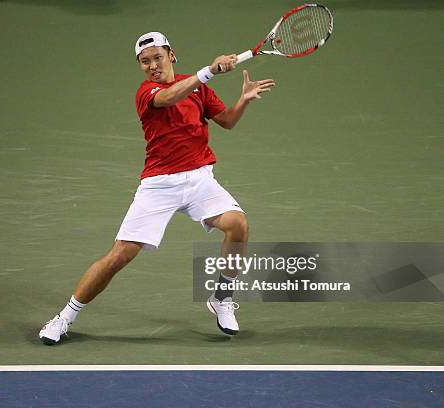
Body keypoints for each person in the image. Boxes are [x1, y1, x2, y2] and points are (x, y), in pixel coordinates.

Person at [39, 32, 275, 345]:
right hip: (159, 185)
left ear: (171, 55)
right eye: (145, 61)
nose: (152, 65)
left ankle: (221, 297)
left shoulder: (197, 88)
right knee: (119, 256)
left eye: (157, 57)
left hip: (200, 178)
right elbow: (169, 98)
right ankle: (64, 318)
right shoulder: (147, 93)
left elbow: (227, 122)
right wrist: (209, 71)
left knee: (238, 225)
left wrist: (242, 101)